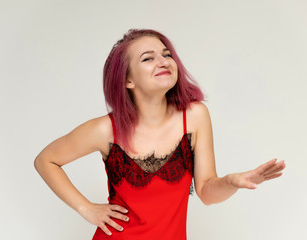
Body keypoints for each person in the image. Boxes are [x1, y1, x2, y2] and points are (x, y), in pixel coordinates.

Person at [34, 29, 286, 240]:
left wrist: (231, 182)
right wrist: (86, 208)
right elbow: (46, 160)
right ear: (127, 80)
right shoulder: (105, 130)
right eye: (148, 58)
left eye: (167, 54)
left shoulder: (195, 116)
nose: (163, 61)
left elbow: (207, 192)